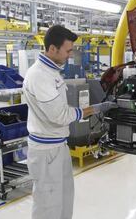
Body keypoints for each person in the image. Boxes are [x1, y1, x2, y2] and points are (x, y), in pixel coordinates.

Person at [23, 25, 117, 219]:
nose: (70, 55)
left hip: (58, 146)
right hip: (46, 152)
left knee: (64, 199)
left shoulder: (52, 72)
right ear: (52, 49)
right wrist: (95, 109)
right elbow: (59, 116)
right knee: (48, 205)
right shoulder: (39, 75)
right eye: (67, 50)